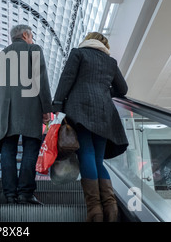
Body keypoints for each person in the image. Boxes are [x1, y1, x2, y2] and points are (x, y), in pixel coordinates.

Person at [52, 32, 129, 222]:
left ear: (87, 40)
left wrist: (57, 105)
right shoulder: (110, 62)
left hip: (80, 110)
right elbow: (123, 89)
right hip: (104, 113)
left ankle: (94, 210)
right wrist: (103, 91)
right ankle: (110, 210)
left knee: (86, 154)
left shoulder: (78, 53)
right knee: (98, 159)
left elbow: (66, 79)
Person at [0, 24, 52, 205]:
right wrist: (46, 108)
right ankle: (25, 193)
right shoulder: (34, 50)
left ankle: (10, 195)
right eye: (31, 36)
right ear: (25, 35)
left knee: (7, 150)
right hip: (30, 109)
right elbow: (42, 81)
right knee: (30, 148)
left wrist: (1, 103)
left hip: (5, 112)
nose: (32, 39)